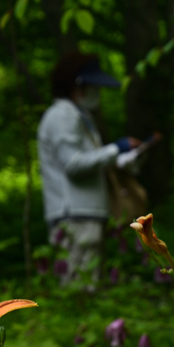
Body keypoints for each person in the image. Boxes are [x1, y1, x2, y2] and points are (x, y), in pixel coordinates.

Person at [37, 52, 142, 283]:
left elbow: (88, 160)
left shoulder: (79, 117)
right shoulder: (62, 116)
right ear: (77, 86)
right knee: (79, 290)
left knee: (87, 287)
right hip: (73, 216)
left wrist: (121, 158)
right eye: (93, 87)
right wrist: (116, 148)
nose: (97, 93)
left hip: (85, 214)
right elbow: (74, 165)